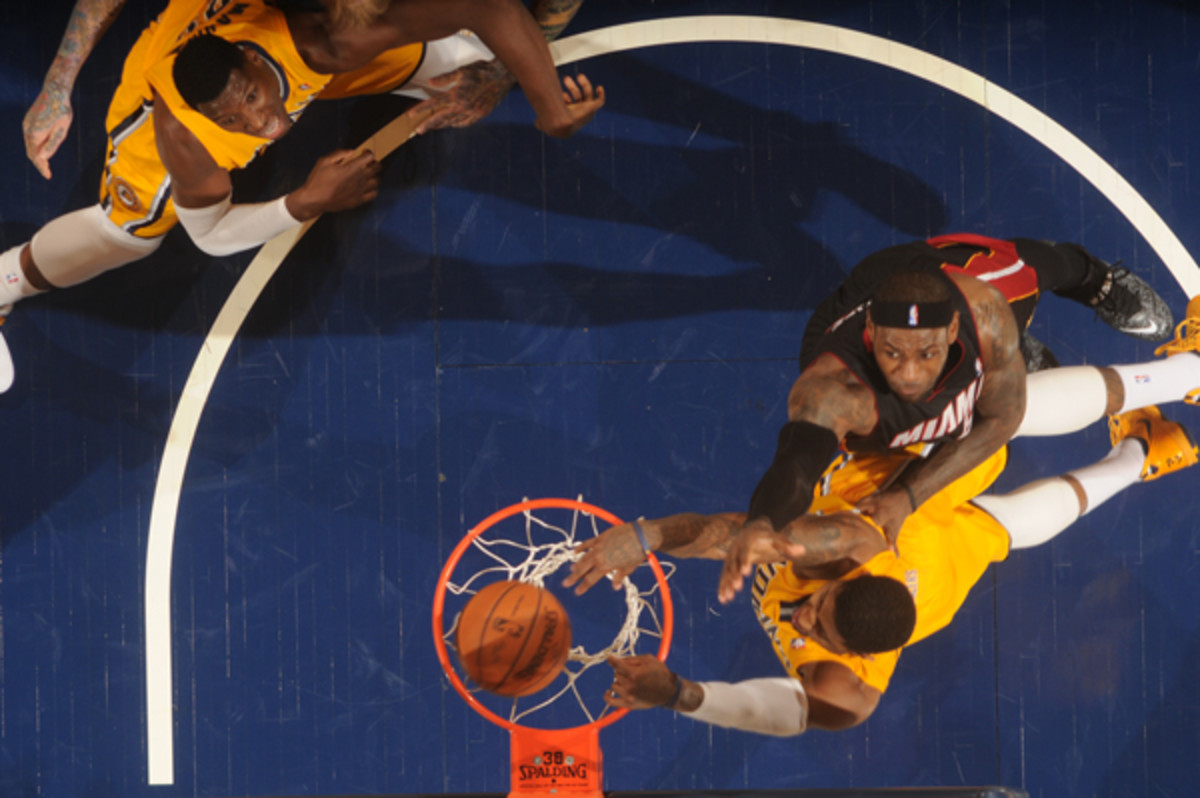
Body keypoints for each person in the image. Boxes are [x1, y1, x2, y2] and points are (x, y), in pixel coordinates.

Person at [0, 0, 603, 390]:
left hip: (305, 55)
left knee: (480, 59)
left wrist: (541, 101)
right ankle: (6, 285)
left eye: (253, 103)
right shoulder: (182, 134)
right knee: (127, 234)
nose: (263, 128)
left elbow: (488, 7)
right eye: (238, 121)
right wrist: (305, 201)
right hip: (199, 75)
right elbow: (210, 232)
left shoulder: (326, 38)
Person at [564, 404, 1198, 736]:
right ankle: (1146, 424)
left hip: (934, 567)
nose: (803, 619)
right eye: (819, 609)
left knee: (1005, 515)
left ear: (858, 656)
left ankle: (1141, 449)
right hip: (903, 506)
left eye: (818, 629)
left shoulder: (849, 693)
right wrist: (645, 536)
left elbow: (773, 710)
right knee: (991, 430)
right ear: (850, 576)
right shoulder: (828, 555)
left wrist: (678, 693)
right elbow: (722, 533)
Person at [743, 233, 1183, 544]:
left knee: (1038, 270)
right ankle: (1011, 357)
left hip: (957, 288)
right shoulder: (833, 392)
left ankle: (1096, 283)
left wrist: (908, 495)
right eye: (892, 353)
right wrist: (763, 523)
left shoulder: (989, 301)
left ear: (953, 331)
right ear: (872, 334)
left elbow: (1004, 418)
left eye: (927, 354)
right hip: (873, 298)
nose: (909, 375)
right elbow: (796, 467)